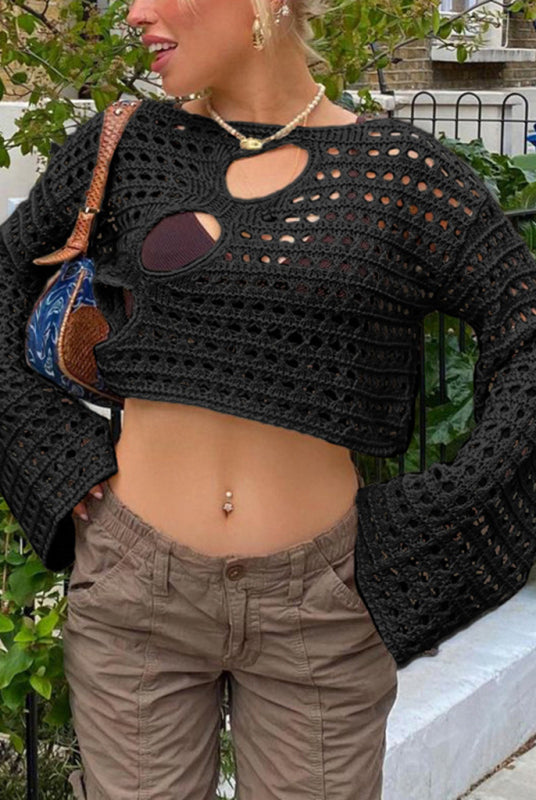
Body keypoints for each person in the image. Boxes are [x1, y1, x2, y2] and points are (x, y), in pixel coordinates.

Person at [1, 0, 536, 798]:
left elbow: (523, 322)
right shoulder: (130, 145)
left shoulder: (400, 171)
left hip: (322, 607)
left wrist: (445, 504)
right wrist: (48, 446)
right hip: (134, 587)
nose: (135, 14)